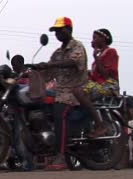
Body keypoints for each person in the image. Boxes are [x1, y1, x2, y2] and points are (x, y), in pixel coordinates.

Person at [34, 17, 105, 170]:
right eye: (56, 31)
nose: (58, 33)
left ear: (69, 30)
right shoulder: (57, 53)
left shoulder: (77, 47)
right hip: (59, 91)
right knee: (40, 106)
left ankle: (60, 157)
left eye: (61, 30)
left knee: (60, 112)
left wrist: (49, 65)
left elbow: (72, 63)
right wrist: (33, 71)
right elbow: (48, 73)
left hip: (75, 91)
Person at [83, 28, 120, 99]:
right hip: (98, 84)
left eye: (95, 38)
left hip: (108, 85)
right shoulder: (99, 55)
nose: (92, 41)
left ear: (103, 39)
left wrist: (95, 57)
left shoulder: (111, 52)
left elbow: (106, 75)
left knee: (80, 92)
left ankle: (91, 110)